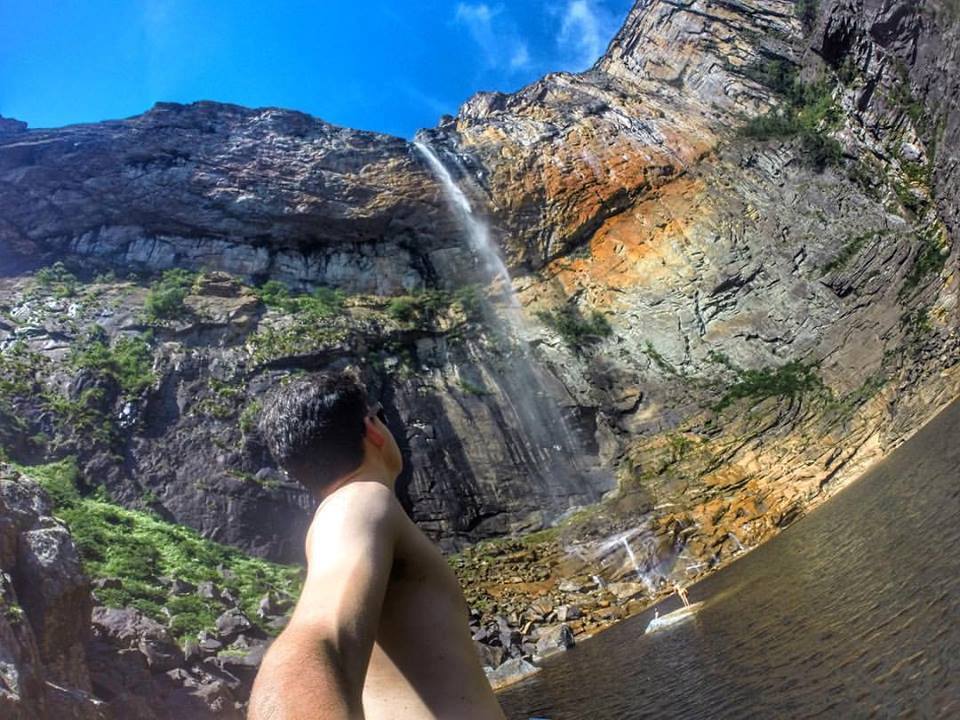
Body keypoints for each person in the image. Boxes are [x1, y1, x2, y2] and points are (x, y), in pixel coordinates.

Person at [248, 370, 506, 720]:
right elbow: (308, 648)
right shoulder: (359, 501)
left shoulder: (340, 516)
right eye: (381, 415)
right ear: (372, 428)